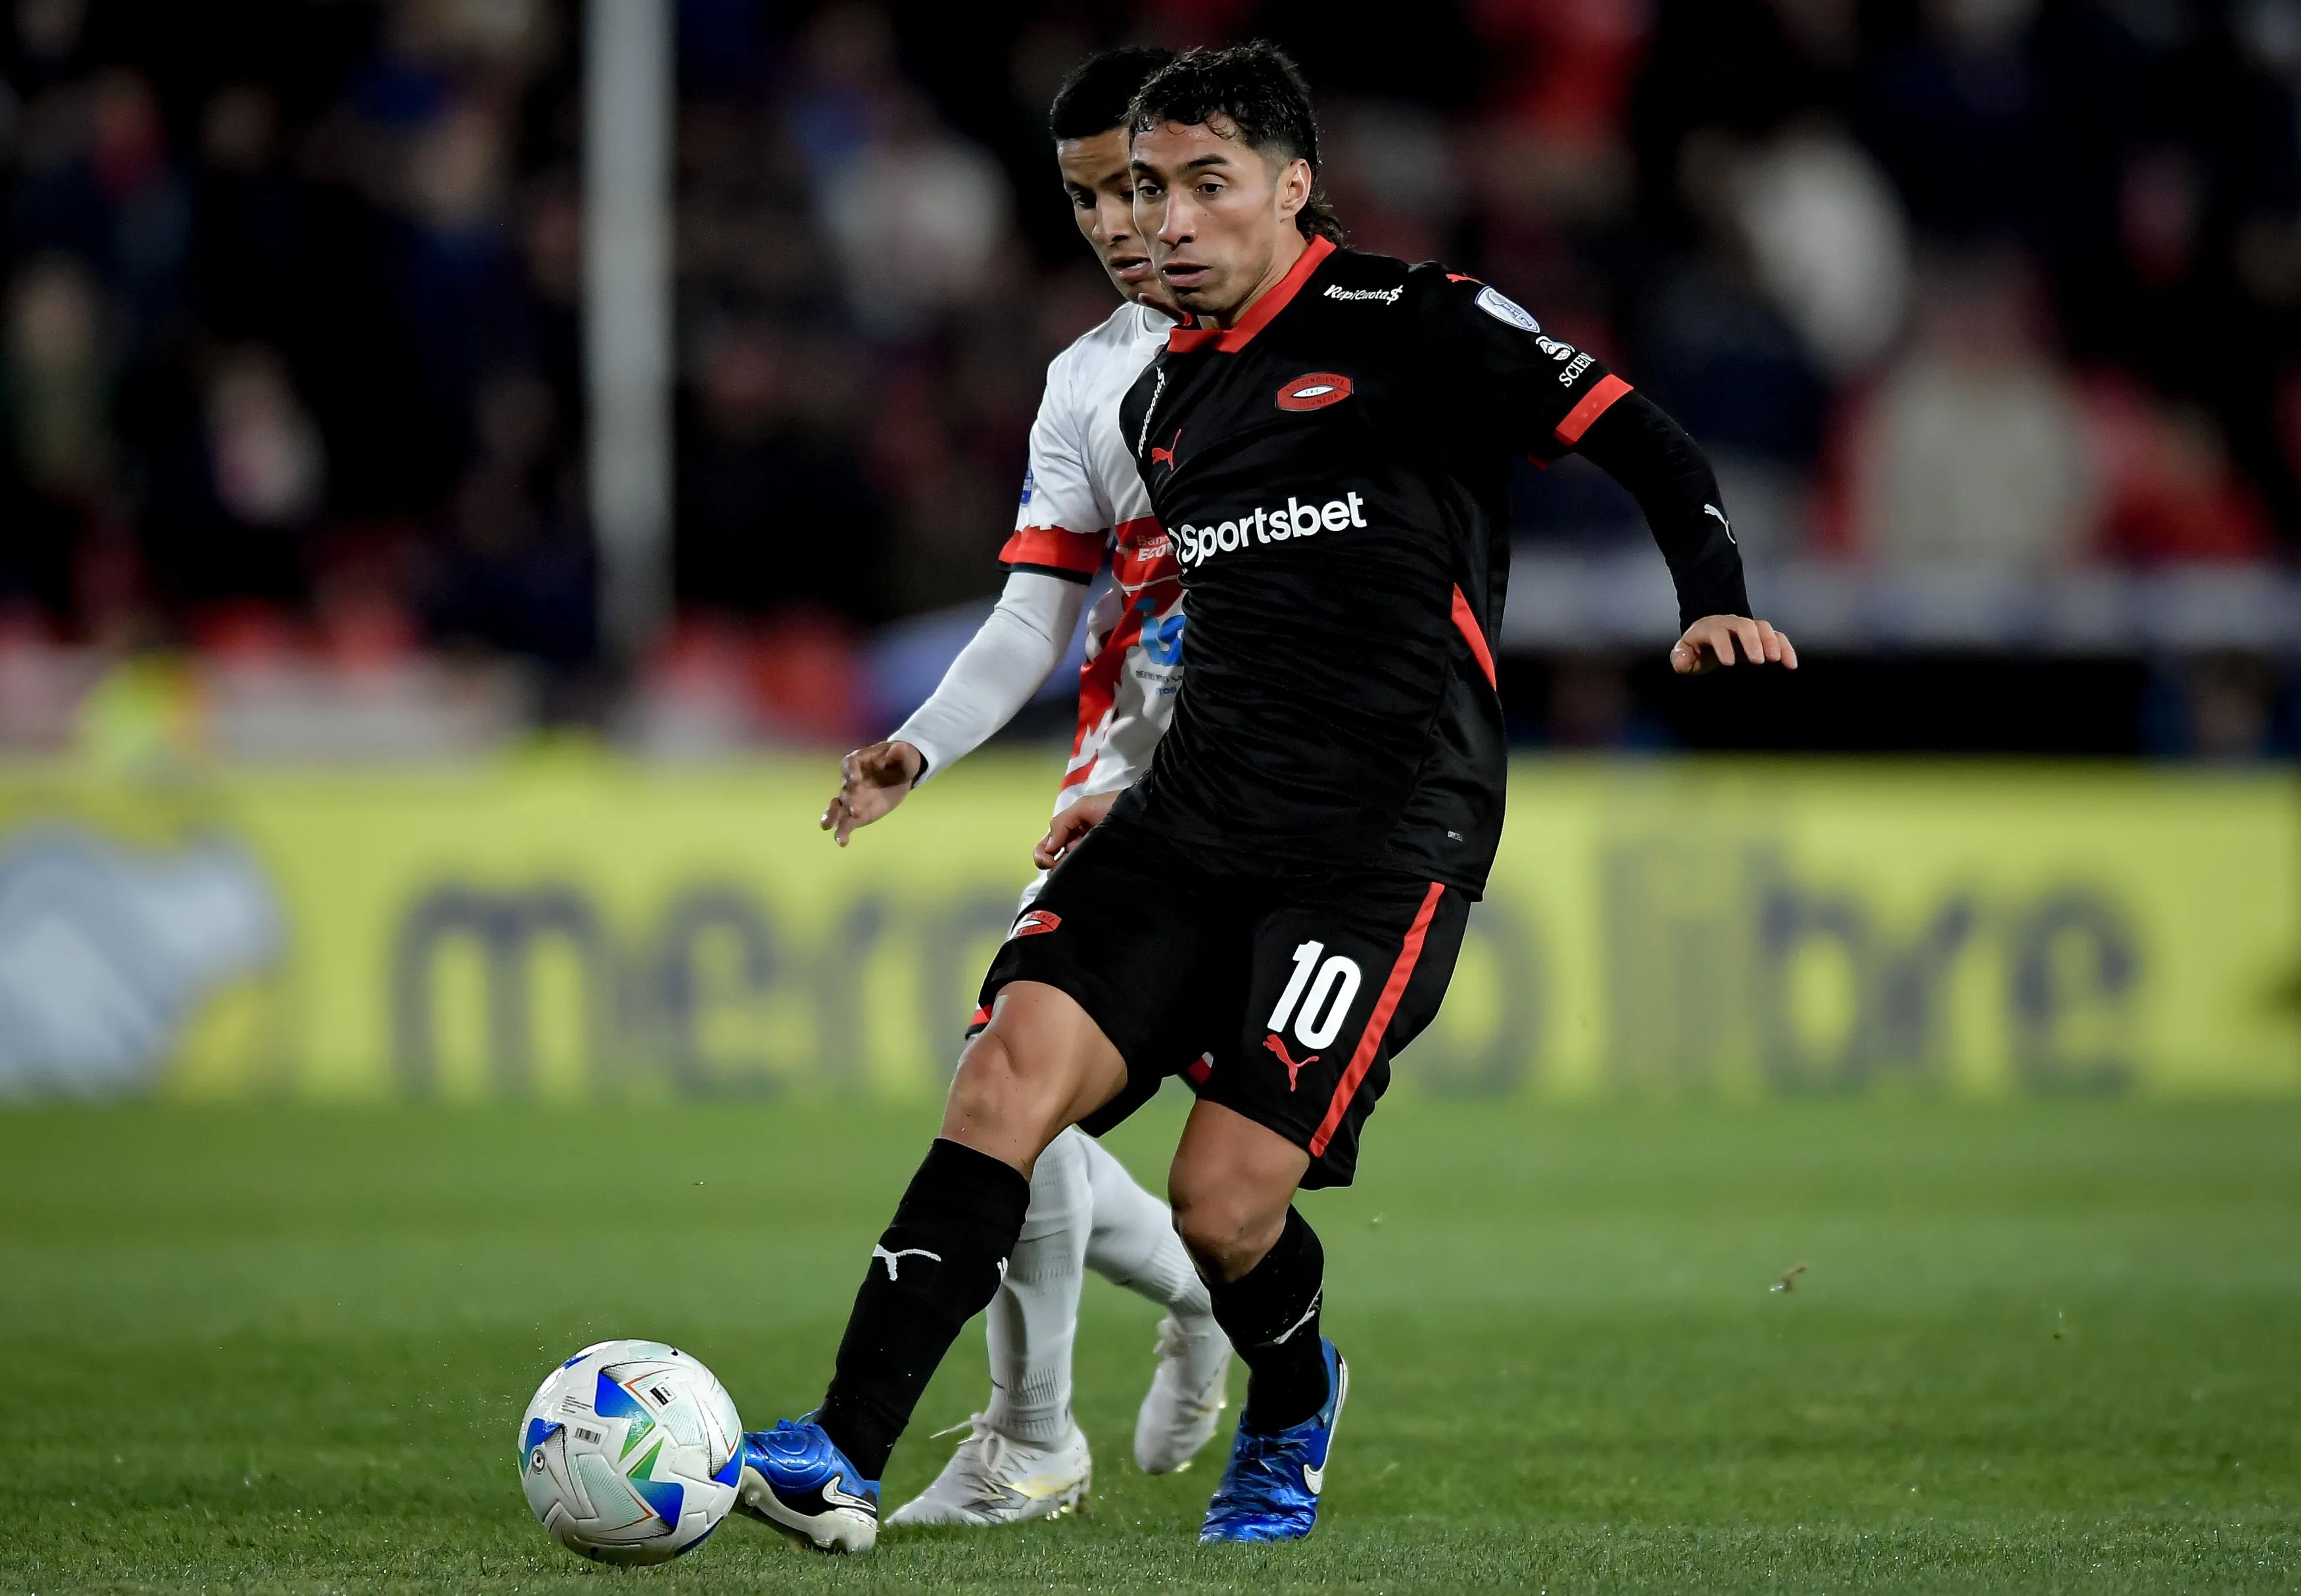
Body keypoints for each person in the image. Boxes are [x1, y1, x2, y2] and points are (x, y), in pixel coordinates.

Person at [741, 41, 1795, 1554]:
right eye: (1142, 189)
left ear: (1292, 188)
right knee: (1000, 1076)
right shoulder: (1164, 401)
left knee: (1220, 1204)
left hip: (1378, 841)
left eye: (1199, 186)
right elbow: (1146, 622)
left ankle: (1292, 1399)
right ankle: (837, 1444)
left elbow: (1631, 428)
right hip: (1191, 815)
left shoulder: (1410, 321)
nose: (1159, 220)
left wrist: (1713, 593)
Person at [812, 47, 1229, 1528]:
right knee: (1011, 1095)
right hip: (1123, 797)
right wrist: (917, 743)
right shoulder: (1088, 380)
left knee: (1036, 1112)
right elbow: (1032, 616)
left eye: (1142, 184)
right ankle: (1037, 1431)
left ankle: (1179, 1313)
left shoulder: (1335, 342)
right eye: (1088, 196)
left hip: (1296, 807)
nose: (1121, 221)